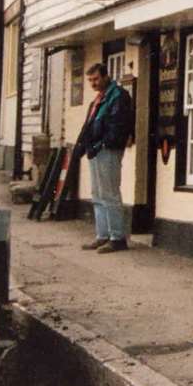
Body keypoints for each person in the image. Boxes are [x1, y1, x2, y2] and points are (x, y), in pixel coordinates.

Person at [75, 63, 134, 253]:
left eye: (96, 79)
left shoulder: (117, 96)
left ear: (106, 76)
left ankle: (117, 238)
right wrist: (82, 147)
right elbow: (89, 125)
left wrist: (102, 144)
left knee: (109, 193)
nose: (93, 83)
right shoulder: (99, 99)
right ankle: (103, 235)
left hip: (107, 149)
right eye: (90, 80)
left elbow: (117, 125)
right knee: (98, 193)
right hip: (96, 149)